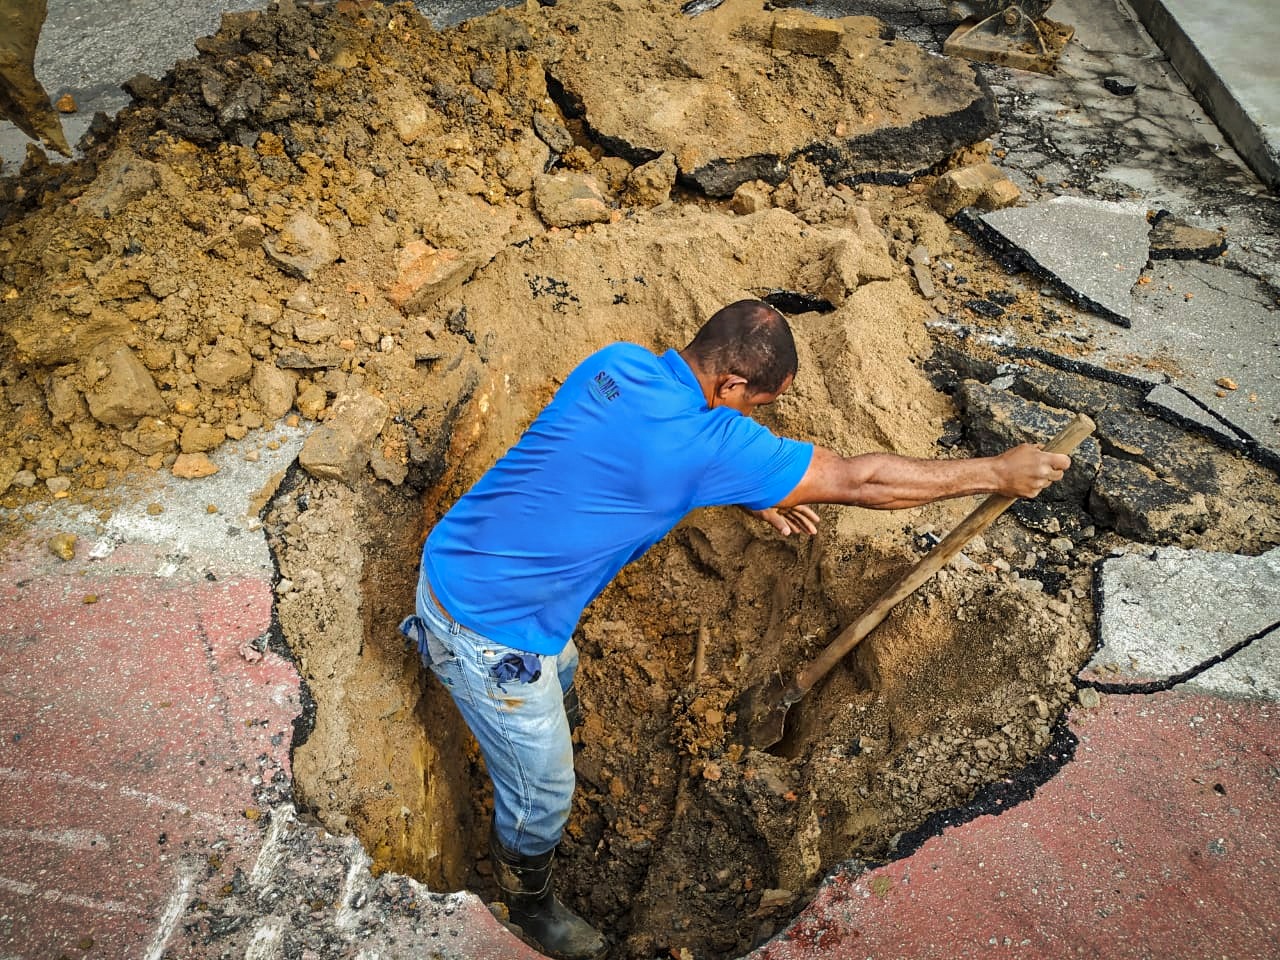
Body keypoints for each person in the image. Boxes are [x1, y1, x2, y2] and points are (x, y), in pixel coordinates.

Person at [399, 299, 1070, 960]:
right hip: (491, 637)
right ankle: (528, 905)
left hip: (457, 560)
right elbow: (860, 480)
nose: (753, 416)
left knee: (565, 670)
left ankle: (552, 730)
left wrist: (752, 484)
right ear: (733, 386)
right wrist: (996, 472)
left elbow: (629, 459)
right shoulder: (707, 446)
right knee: (543, 797)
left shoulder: (619, 365)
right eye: (757, 404)